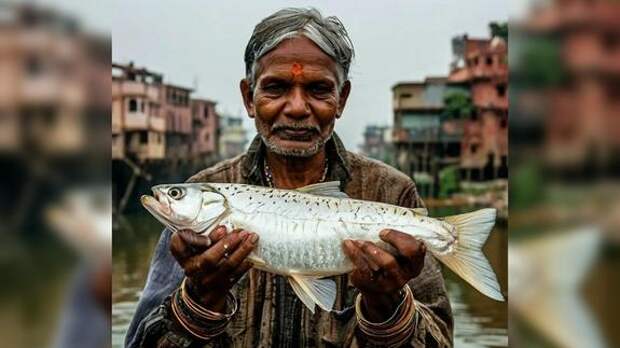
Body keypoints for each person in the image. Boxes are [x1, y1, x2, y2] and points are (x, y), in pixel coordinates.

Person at [126, 8, 453, 347]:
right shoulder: (196, 208)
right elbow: (139, 342)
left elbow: (441, 339)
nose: (297, 107)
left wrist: (388, 307)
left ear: (341, 100)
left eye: (318, 89)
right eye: (276, 87)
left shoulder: (392, 193)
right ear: (248, 97)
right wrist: (199, 302)